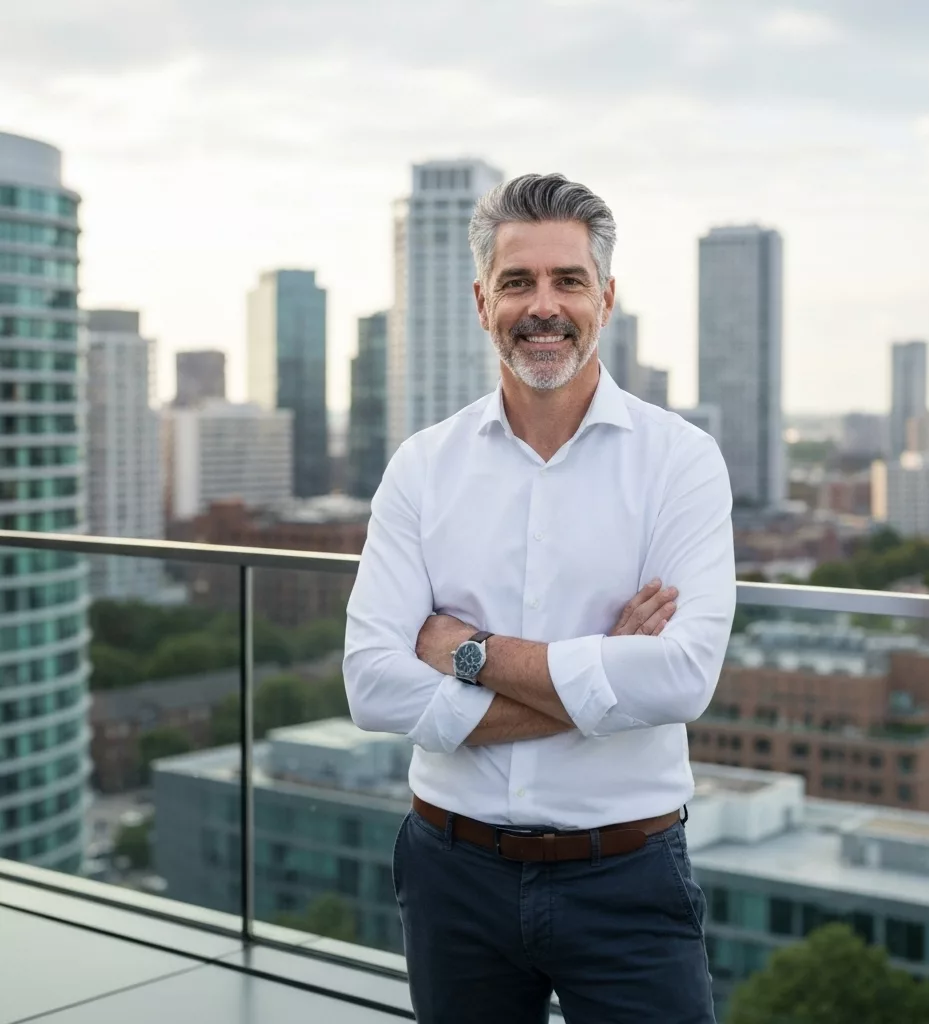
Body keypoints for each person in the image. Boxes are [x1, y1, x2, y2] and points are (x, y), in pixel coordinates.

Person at [343, 172, 735, 1023]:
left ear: (607, 297)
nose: (543, 305)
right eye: (519, 282)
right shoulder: (422, 465)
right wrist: (604, 680)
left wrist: (465, 653)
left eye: (569, 280)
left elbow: (680, 681)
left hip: (627, 878)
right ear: (484, 302)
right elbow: (370, 684)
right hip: (451, 874)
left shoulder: (682, 461)